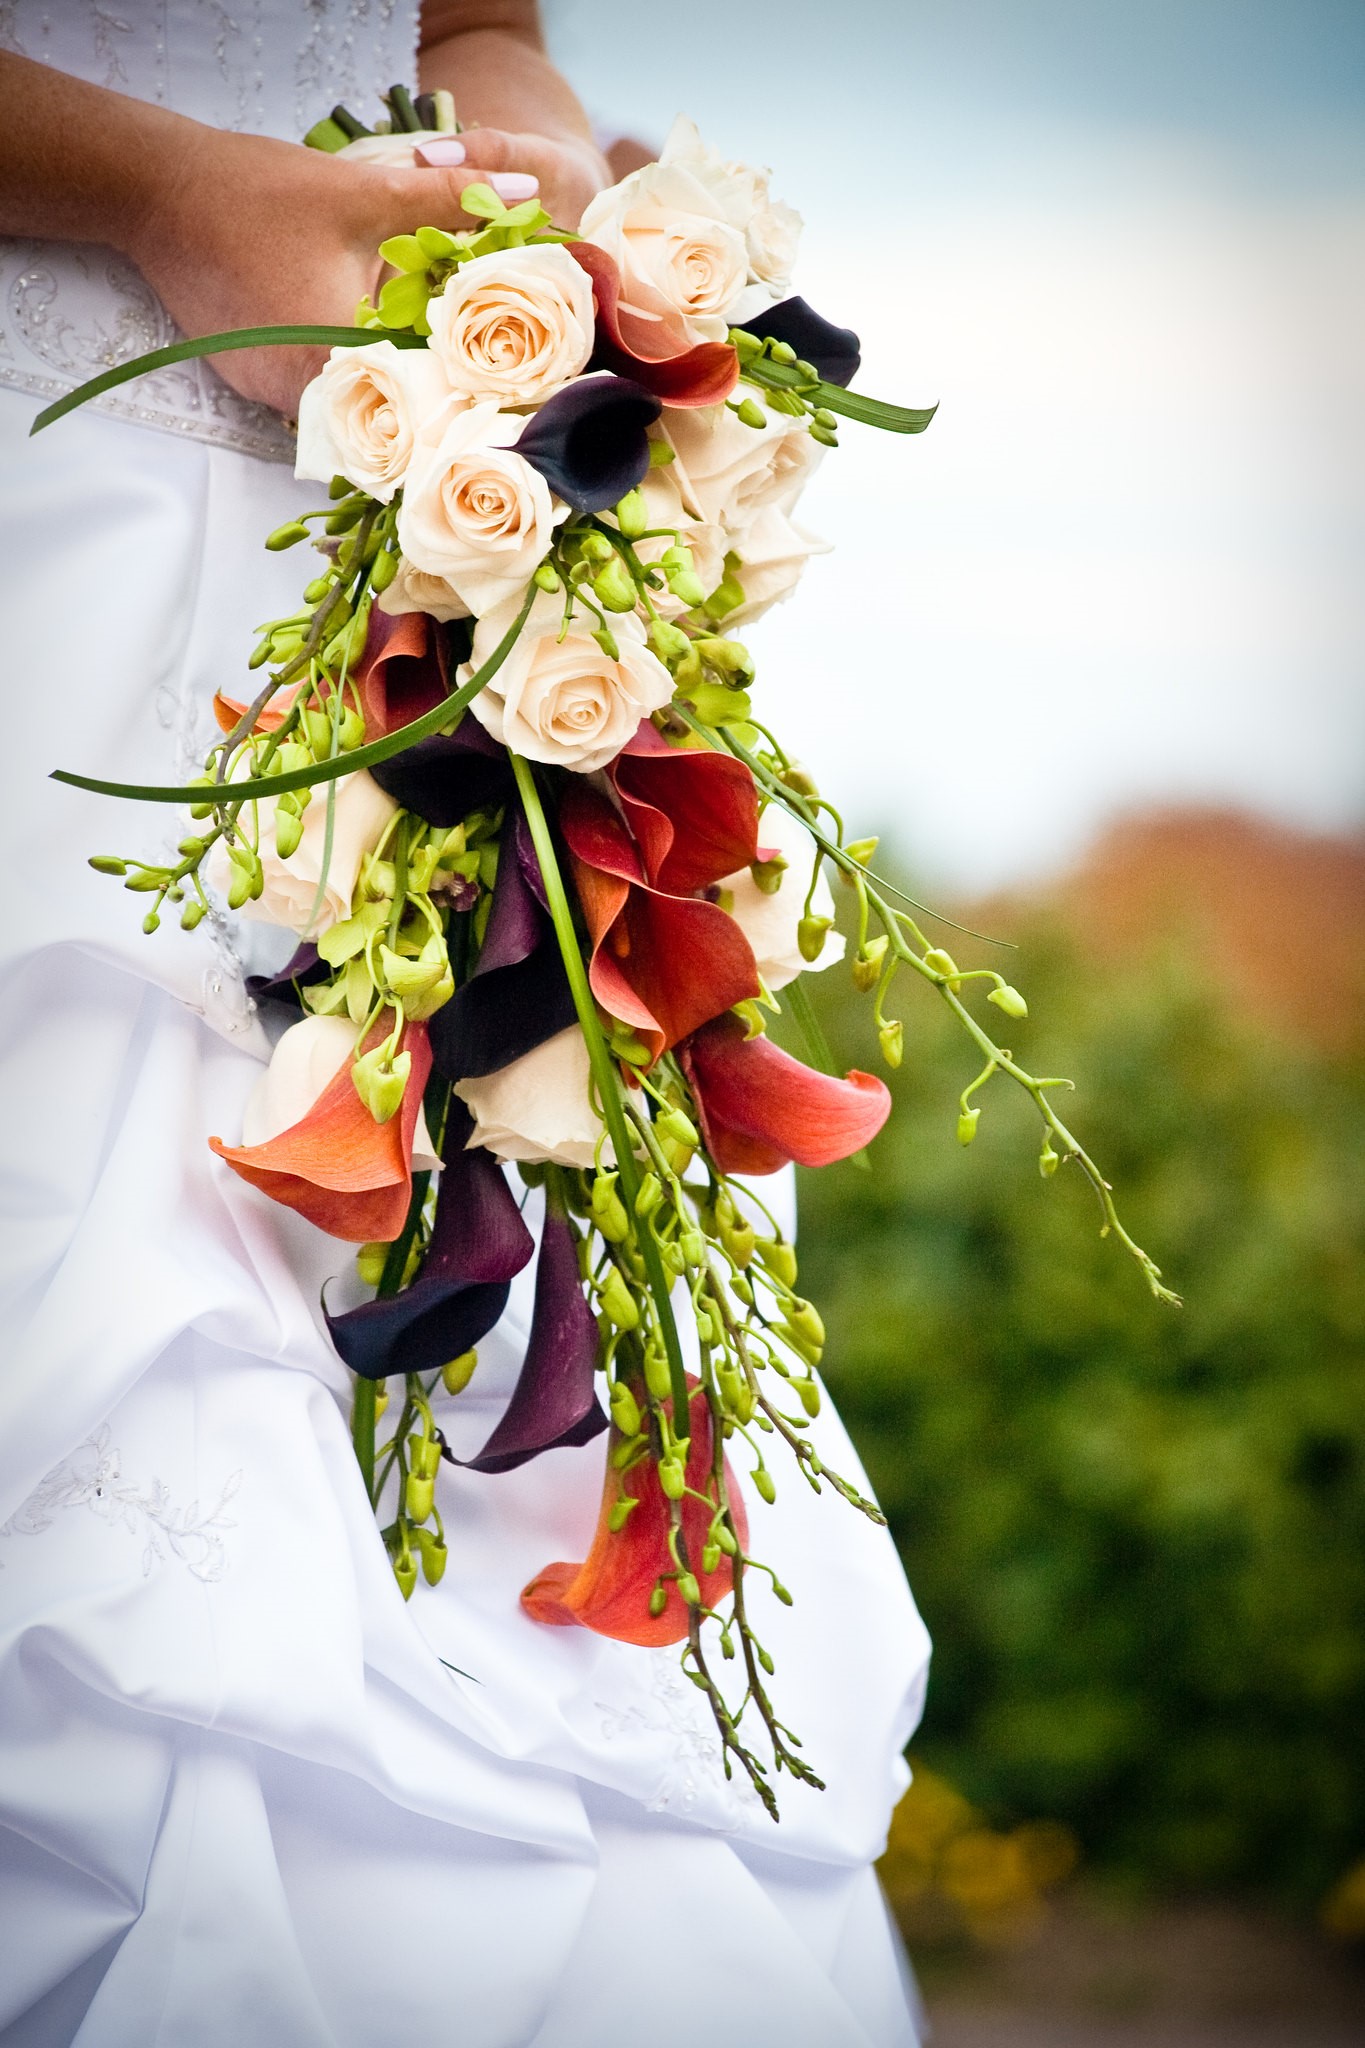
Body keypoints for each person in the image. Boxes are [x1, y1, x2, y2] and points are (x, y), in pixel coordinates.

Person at [0, 5, 930, 2043]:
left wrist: (536, 171)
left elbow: (475, 23)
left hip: (378, 510)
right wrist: (158, 186)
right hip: (55, 531)